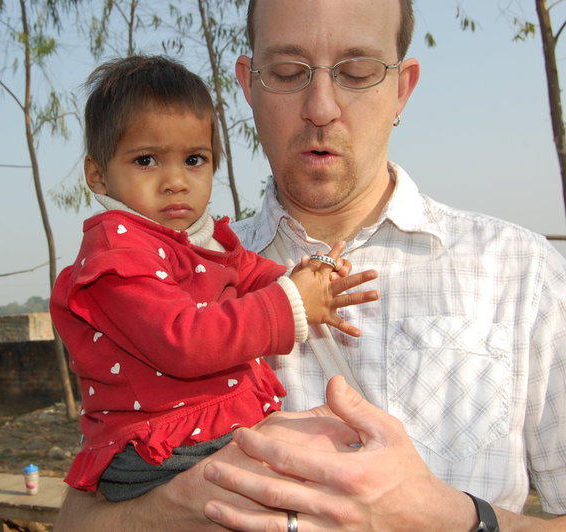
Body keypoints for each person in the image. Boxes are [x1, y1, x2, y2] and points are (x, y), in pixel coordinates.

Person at [54, 0, 566, 530]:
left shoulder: (523, 273)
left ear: (402, 88)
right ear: (249, 86)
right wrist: (182, 504)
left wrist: (453, 517)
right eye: (287, 72)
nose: (321, 106)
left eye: (358, 71)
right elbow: (80, 513)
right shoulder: (180, 271)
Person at [50, 55, 380, 503]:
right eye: (146, 160)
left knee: (331, 447)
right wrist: (291, 303)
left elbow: (249, 272)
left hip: (203, 431)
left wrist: (305, 277)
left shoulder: (195, 238)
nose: (175, 181)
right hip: (160, 444)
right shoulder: (119, 252)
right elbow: (182, 343)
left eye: (193, 159)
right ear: (98, 175)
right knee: (313, 481)